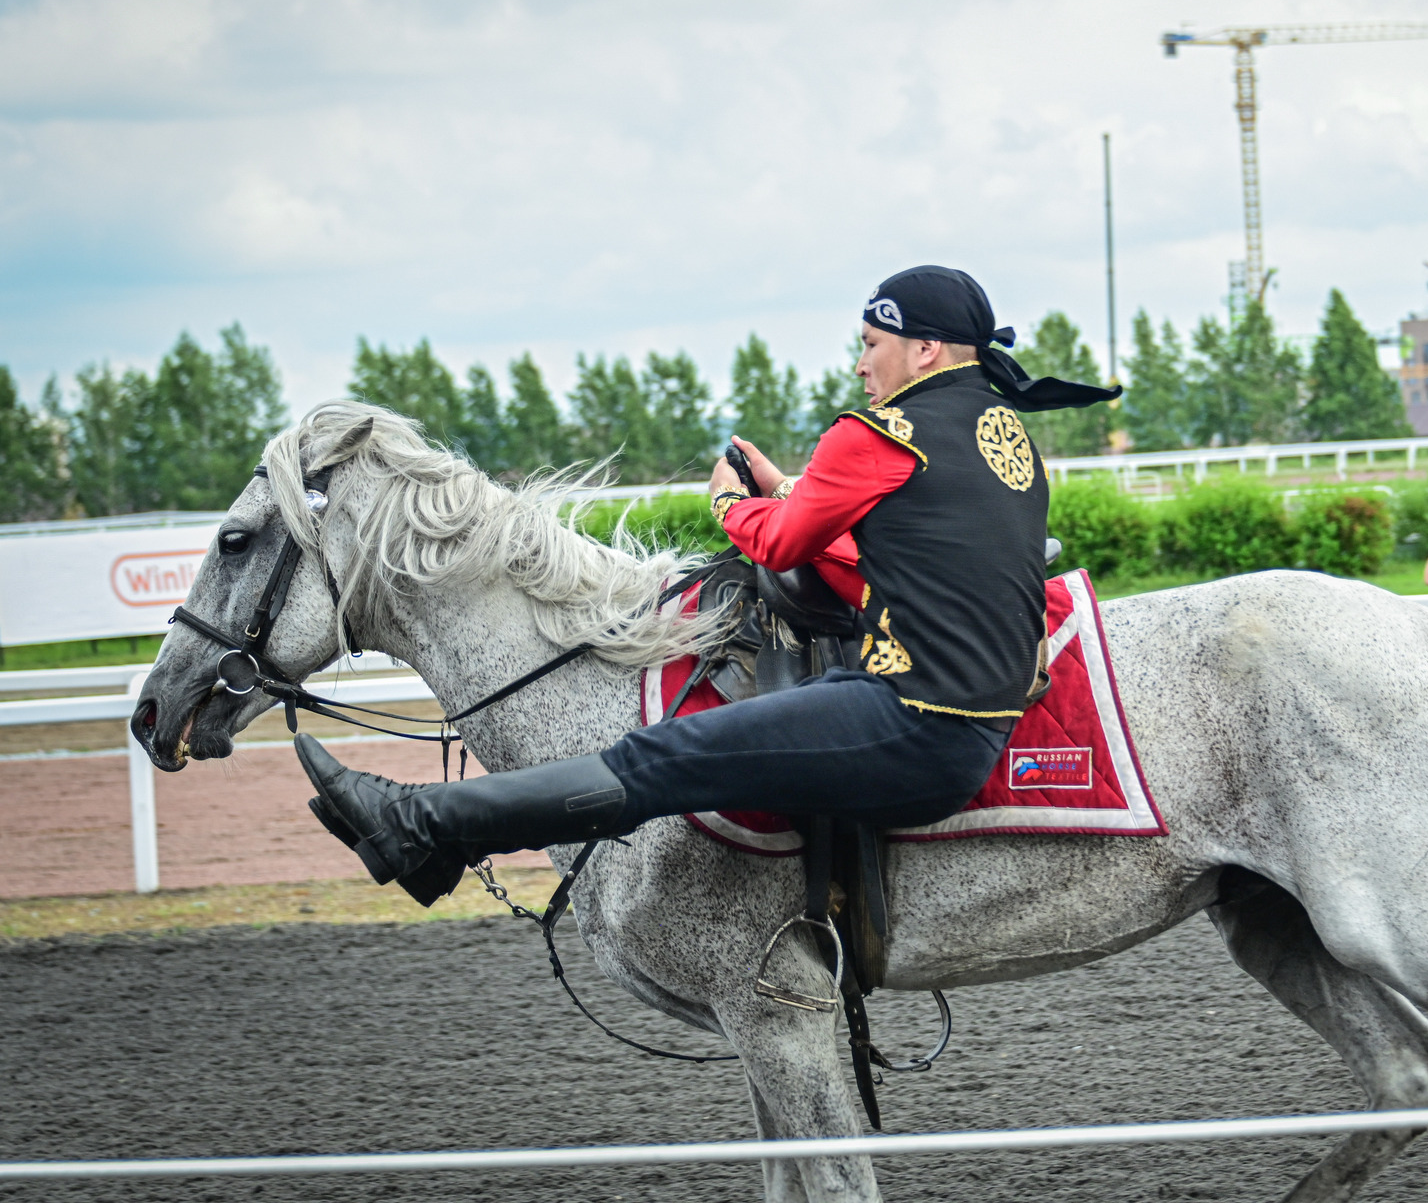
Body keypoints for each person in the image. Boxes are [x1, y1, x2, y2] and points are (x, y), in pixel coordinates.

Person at [295, 266, 1120, 906]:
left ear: (925, 350)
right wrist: (794, 489)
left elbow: (786, 541)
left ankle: (422, 825)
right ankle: (436, 848)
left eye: (871, 343)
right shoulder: (1004, 430)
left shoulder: (877, 430)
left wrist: (731, 502)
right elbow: (899, 557)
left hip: (913, 724)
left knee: (663, 754)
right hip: (973, 726)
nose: (862, 362)